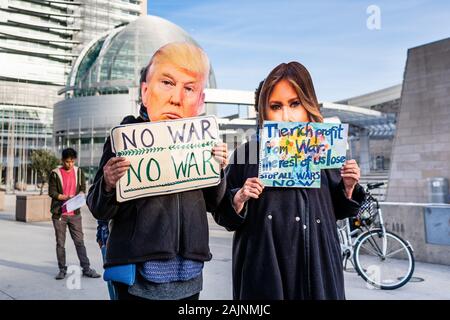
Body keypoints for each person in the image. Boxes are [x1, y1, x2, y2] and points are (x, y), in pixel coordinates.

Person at [87, 42, 228, 300]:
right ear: (145, 91)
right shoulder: (124, 138)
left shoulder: (203, 143)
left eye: (189, 88)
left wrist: (218, 170)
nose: (176, 98)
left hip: (190, 277)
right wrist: (107, 183)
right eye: (167, 83)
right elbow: (98, 208)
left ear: (200, 100)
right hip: (138, 282)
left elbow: (214, 203)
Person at [212, 62, 365, 300]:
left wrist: (348, 187)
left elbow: (338, 210)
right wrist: (239, 197)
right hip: (264, 268)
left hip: (318, 265)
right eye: (276, 106)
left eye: (295, 104)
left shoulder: (324, 150)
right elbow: (223, 215)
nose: (286, 115)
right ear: (263, 112)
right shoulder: (246, 153)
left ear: (308, 105)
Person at [48, 148, 101, 280]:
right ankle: (62, 269)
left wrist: (81, 194)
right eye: (67, 162)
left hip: (75, 214)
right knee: (60, 243)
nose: (70, 164)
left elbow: (83, 188)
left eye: (72, 162)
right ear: (62, 160)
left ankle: (86, 268)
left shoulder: (79, 172)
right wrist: (65, 197)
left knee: (79, 242)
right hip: (60, 214)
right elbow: (52, 192)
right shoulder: (55, 173)